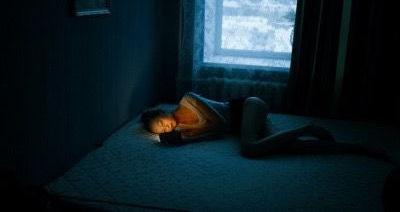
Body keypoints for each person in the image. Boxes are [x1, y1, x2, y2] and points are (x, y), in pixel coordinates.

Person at [140, 92, 394, 162]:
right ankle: (357, 147)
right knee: (292, 149)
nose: (166, 128)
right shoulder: (183, 129)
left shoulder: (188, 100)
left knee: (249, 149)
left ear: (163, 111)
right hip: (244, 122)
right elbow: (218, 132)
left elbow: (222, 125)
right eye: (162, 131)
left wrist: (184, 140)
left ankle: (304, 128)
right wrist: (184, 137)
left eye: (162, 122)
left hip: (247, 106)